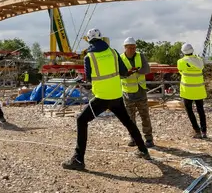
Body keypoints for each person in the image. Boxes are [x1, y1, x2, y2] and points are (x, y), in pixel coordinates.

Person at [62, 28, 151, 171]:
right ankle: (143, 150)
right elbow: (123, 72)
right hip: (116, 95)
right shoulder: (114, 52)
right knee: (128, 122)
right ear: (101, 38)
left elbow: (88, 78)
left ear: (89, 40)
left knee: (81, 120)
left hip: (101, 98)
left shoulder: (89, 57)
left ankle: (78, 159)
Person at [120, 37, 155, 148]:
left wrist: (138, 70)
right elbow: (119, 74)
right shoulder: (120, 58)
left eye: (134, 48)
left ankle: (149, 139)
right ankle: (134, 138)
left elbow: (147, 69)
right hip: (128, 93)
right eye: (130, 48)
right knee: (130, 119)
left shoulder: (140, 56)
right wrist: (127, 73)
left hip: (140, 92)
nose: (132, 50)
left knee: (145, 117)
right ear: (125, 48)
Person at [177, 43, 207, 139]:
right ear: (192, 50)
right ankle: (204, 131)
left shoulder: (181, 61)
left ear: (183, 52)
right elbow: (201, 68)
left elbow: (180, 71)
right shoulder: (200, 61)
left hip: (187, 91)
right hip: (199, 90)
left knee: (189, 110)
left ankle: (197, 130)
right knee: (200, 110)